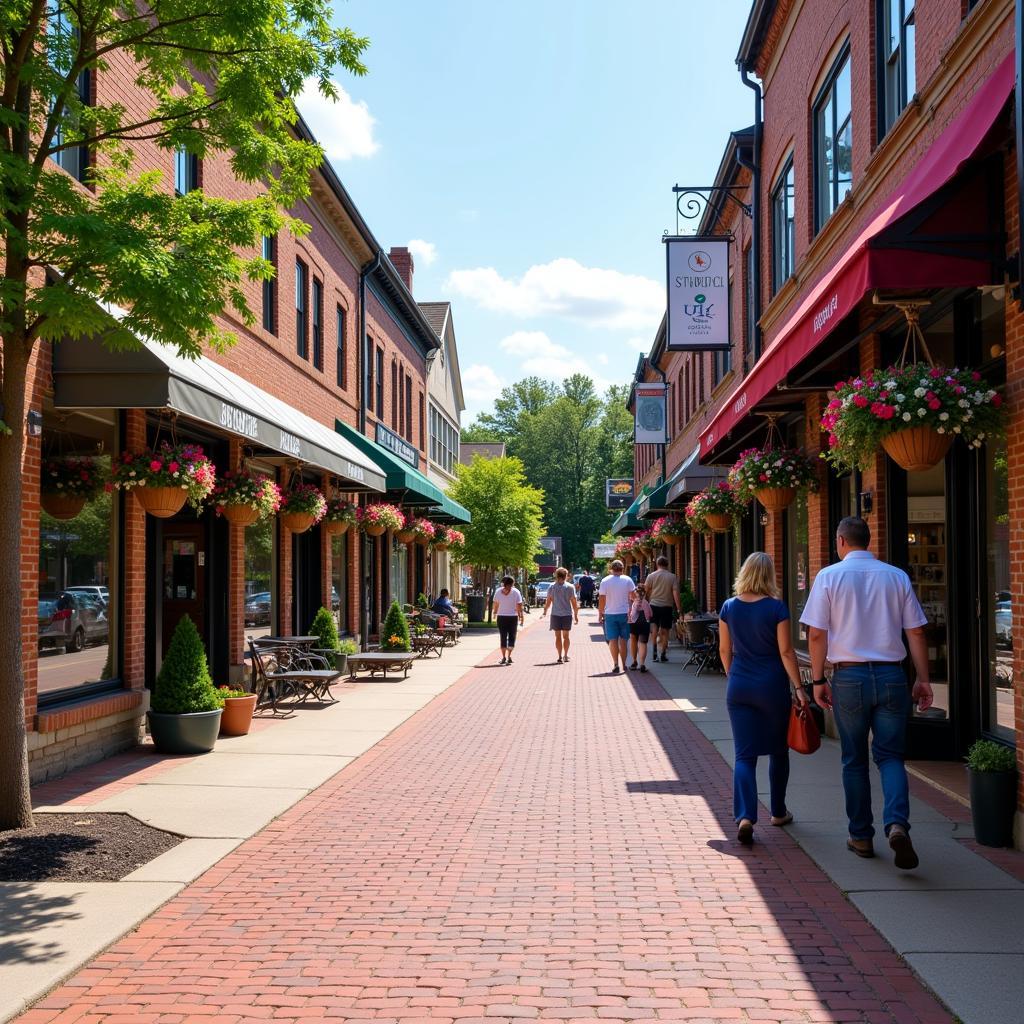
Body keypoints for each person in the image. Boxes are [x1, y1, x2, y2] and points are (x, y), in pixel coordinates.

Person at [800, 516, 933, 870]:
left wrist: (817, 680)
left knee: (854, 759)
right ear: (868, 541)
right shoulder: (896, 576)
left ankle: (860, 836)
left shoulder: (828, 576)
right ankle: (897, 825)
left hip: (849, 677)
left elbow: (816, 634)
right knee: (890, 756)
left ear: (841, 540)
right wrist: (923, 678)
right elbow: (917, 633)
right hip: (892, 675)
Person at [718, 552, 808, 847]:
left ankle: (745, 817)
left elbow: (724, 650)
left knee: (744, 755)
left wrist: (734, 676)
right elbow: (786, 652)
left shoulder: (729, 607)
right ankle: (779, 812)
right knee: (779, 750)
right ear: (769, 575)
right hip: (771, 686)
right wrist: (798, 687)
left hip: (740, 686)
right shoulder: (776, 608)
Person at [598, 559, 636, 674]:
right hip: (624, 613)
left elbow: (602, 599)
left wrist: (600, 613)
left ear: (611, 569)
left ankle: (615, 664)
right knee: (623, 640)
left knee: (613, 640)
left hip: (609, 613)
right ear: (622, 569)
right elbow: (633, 596)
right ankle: (624, 664)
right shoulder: (628, 580)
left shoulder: (605, 581)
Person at [644, 555, 680, 662]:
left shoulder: (651, 576)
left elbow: (645, 590)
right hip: (667, 606)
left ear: (657, 564)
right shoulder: (672, 577)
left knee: (654, 629)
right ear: (667, 565)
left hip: (653, 605)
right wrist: (679, 608)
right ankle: (663, 654)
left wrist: (644, 604)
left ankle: (654, 652)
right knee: (665, 631)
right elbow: (675, 593)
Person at [542, 566, 579, 663]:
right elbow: (574, 602)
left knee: (557, 636)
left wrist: (545, 611)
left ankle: (559, 655)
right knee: (566, 636)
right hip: (567, 615)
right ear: (566, 576)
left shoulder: (552, 587)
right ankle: (565, 655)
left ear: (556, 575)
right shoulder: (570, 587)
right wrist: (576, 615)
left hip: (555, 615)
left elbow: (548, 601)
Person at [491, 575, 524, 665]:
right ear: (512, 583)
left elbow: (496, 604)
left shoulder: (498, 591)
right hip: (513, 617)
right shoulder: (516, 592)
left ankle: (503, 657)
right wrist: (521, 616)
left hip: (501, 617)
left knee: (503, 636)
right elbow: (519, 605)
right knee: (512, 637)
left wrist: (495, 613)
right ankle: (509, 656)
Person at [627, 583, 653, 672]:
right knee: (643, 643)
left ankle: (634, 662)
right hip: (644, 624)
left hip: (633, 623)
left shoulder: (633, 603)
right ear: (644, 593)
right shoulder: (646, 603)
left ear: (636, 593)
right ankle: (642, 664)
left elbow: (630, 613)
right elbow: (650, 614)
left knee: (633, 641)